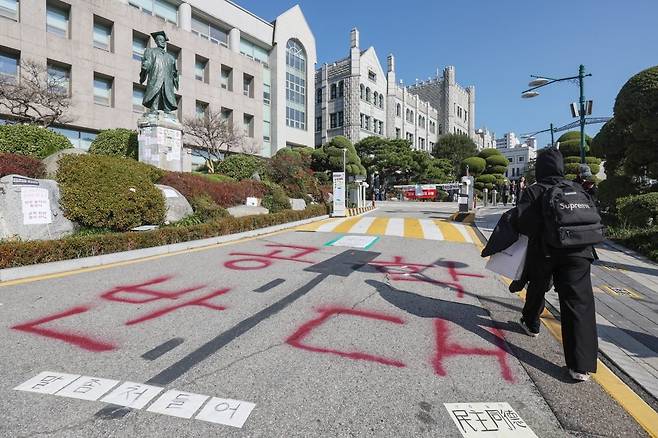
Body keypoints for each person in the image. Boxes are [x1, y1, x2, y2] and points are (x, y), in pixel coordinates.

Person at [515, 148, 598, 382]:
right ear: (561, 167)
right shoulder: (576, 188)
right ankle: (580, 366)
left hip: (546, 251)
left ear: (540, 168)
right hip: (580, 251)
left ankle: (531, 324)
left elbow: (524, 225)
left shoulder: (534, 191)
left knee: (537, 284)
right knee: (578, 304)